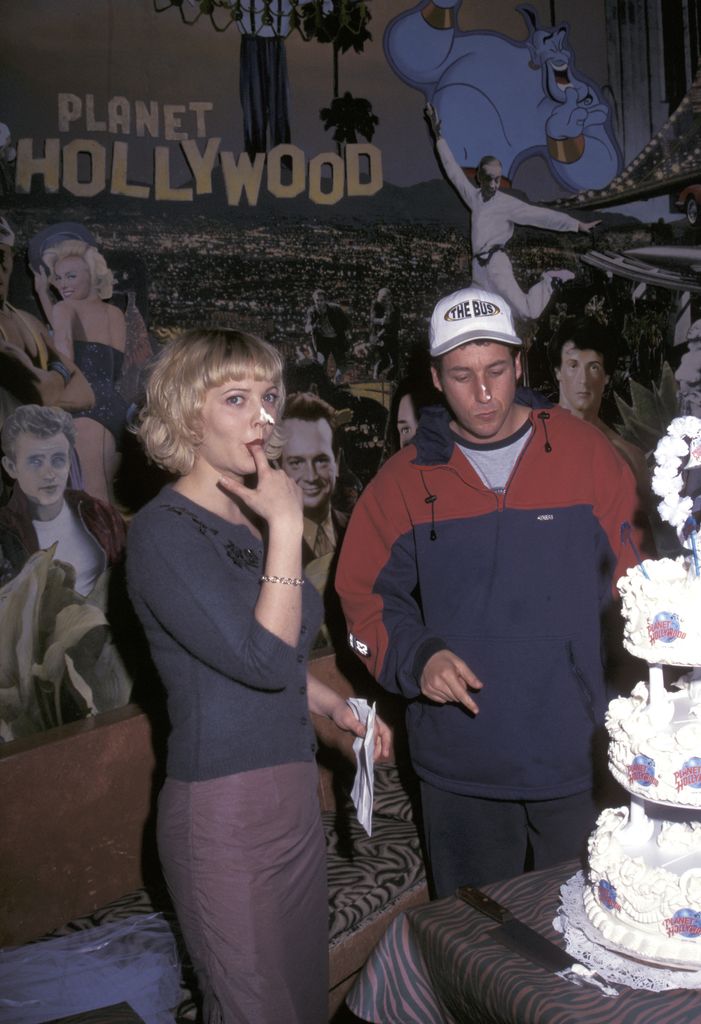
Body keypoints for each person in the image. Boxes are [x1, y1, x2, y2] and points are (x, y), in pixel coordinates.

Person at [336, 284, 644, 897]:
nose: (482, 393)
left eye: (496, 370)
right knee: (478, 958)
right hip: (461, 768)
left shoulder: (588, 454)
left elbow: (634, 588)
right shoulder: (401, 481)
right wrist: (415, 657)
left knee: (584, 952)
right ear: (435, 378)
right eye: (461, 375)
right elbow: (362, 599)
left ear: (521, 363)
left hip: (577, 758)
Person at [126, 328, 389, 1024]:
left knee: (301, 1003)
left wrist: (333, 707)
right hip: (222, 813)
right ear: (187, 415)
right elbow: (261, 659)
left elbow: (278, 662)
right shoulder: (163, 532)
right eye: (237, 398)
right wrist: (283, 524)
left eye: (268, 397)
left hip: (292, 796)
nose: (263, 417)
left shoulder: (247, 524)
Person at [424, 103, 599, 322]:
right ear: (479, 177)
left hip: (497, 265)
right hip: (478, 268)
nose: (495, 184)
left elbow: (539, 216)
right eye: (490, 179)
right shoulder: (474, 198)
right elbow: (452, 171)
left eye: (498, 179)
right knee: (475, 316)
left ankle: (550, 279)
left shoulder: (506, 204)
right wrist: (438, 135)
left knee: (527, 312)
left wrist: (575, 225)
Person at [0, 405, 125, 594]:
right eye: (35, 461)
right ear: (11, 467)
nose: (49, 473)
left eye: (58, 459)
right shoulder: (6, 533)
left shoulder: (96, 512)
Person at [41, 239, 129, 504]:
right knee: (106, 501)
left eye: (71, 276)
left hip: (82, 410)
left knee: (89, 503)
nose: (63, 284)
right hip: (115, 410)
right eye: (58, 278)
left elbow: (65, 362)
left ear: (93, 276)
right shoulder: (115, 313)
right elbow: (110, 367)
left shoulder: (63, 309)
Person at [0, 218, 94, 432]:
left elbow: (85, 394)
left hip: (37, 459)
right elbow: (41, 391)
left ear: (12, 259)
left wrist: (38, 399)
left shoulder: (29, 322)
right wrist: (60, 371)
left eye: (0, 257)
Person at [548, 315, 650, 495]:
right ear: (558, 372)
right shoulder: (529, 442)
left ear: (606, 378)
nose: (583, 380)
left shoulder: (630, 457)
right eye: (573, 366)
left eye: (593, 367)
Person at [280, 391, 348, 569]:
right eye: (296, 463)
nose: (311, 476)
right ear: (279, 468)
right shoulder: (260, 540)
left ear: (337, 462)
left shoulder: (362, 529)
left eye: (321, 460)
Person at [304, 289, 351, 384]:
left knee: (343, 364)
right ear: (314, 300)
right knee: (320, 363)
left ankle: (336, 380)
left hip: (336, 339)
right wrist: (313, 327)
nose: (319, 302)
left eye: (321, 300)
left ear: (325, 300)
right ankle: (325, 384)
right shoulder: (312, 311)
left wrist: (347, 336)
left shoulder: (335, 309)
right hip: (322, 341)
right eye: (317, 300)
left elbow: (347, 323)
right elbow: (307, 327)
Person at [368, 287, 400, 380]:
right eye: (381, 299)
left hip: (392, 336)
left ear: (389, 298)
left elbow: (397, 323)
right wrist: (382, 321)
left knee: (395, 363)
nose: (383, 301)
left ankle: (389, 381)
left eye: (385, 299)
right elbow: (372, 319)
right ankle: (376, 376)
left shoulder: (395, 308)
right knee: (385, 360)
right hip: (380, 337)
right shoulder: (376, 305)